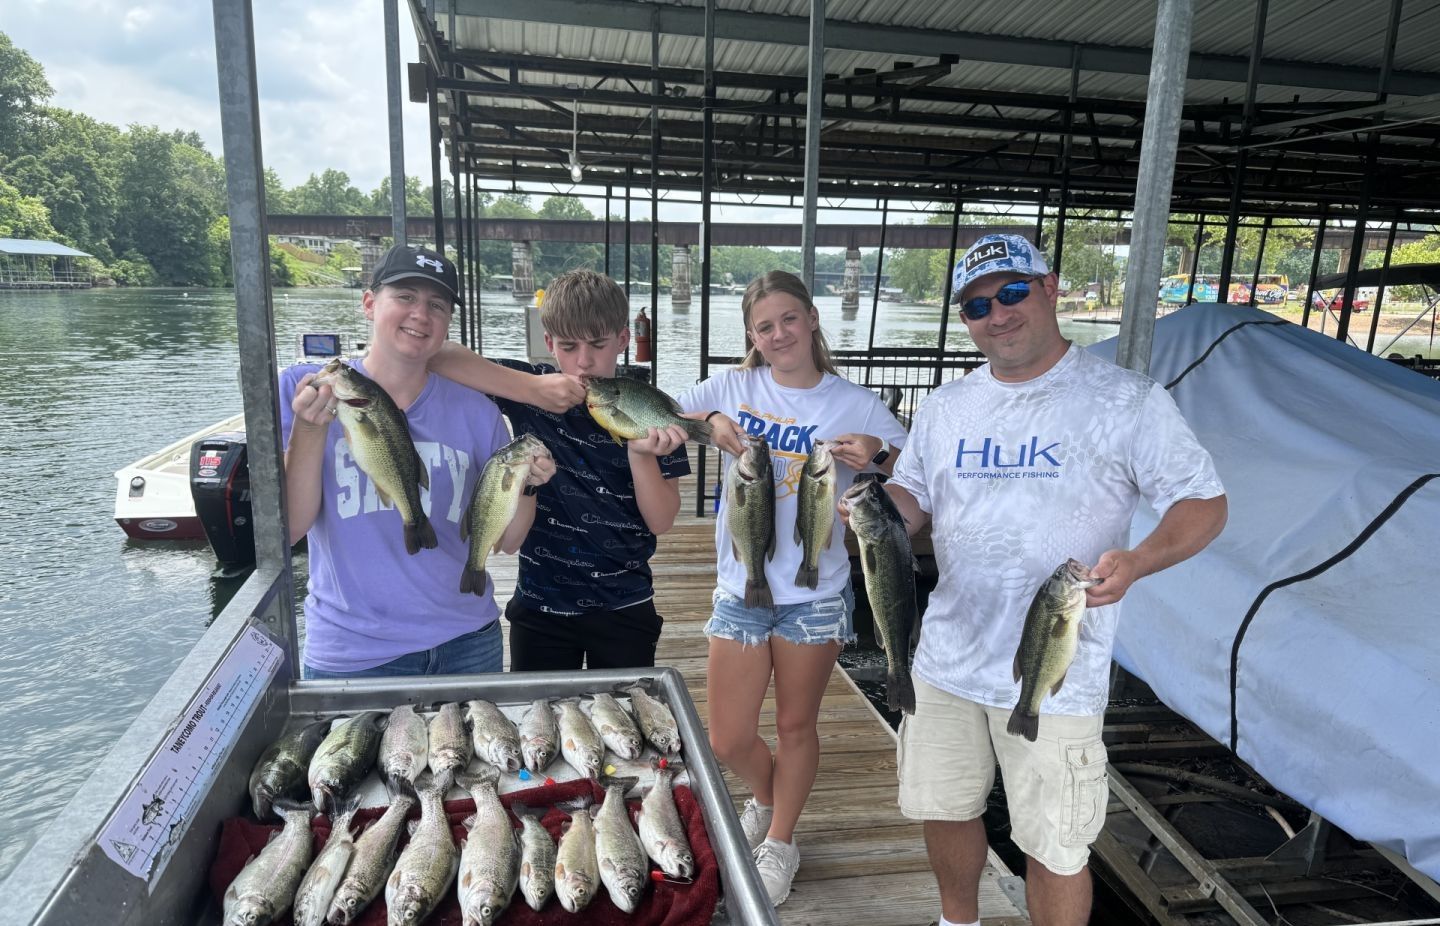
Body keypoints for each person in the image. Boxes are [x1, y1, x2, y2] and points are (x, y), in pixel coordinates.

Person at [871, 234, 1228, 926]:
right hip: (945, 658)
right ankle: (957, 921)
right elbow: (911, 503)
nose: (996, 314)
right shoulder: (946, 407)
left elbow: (1204, 503)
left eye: (1011, 292)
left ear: (1049, 287)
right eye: (976, 305)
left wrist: (1141, 559)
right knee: (942, 805)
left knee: (1056, 842)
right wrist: (853, 512)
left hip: (1057, 669)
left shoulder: (1126, 400)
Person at [675, 270, 909, 906]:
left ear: (811, 319)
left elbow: (916, 468)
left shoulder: (854, 402)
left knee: (796, 724)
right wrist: (711, 422)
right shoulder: (733, 385)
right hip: (741, 582)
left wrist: (880, 454)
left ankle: (779, 840)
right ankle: (769, 795)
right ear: (751, 335)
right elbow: (661, 420)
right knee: (727, 736)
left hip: (817, 589)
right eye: (763, 326)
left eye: (788, 319)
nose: (778, 334)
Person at [281, 244, 558, 679]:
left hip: (467, 642)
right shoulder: (305, 392)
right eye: (405, 297)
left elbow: (508, 540)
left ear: (448, 322)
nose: (420, 314)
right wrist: (311, 429)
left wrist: (529, 483)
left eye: (437, 304)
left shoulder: (479, 412)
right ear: (369, 303)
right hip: (353, 654)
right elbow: (290, 526)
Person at [429, 268, 690, 671]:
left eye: (598, 345)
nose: (584, 361)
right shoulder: (530, 389)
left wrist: (641, 456)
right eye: (568, 346)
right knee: (540, 728)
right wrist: (529, 388)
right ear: (549, 343)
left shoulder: (650, 404)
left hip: (626, 605)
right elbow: (438, 355)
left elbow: (661, 521)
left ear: (622, 340)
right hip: (540, 606)